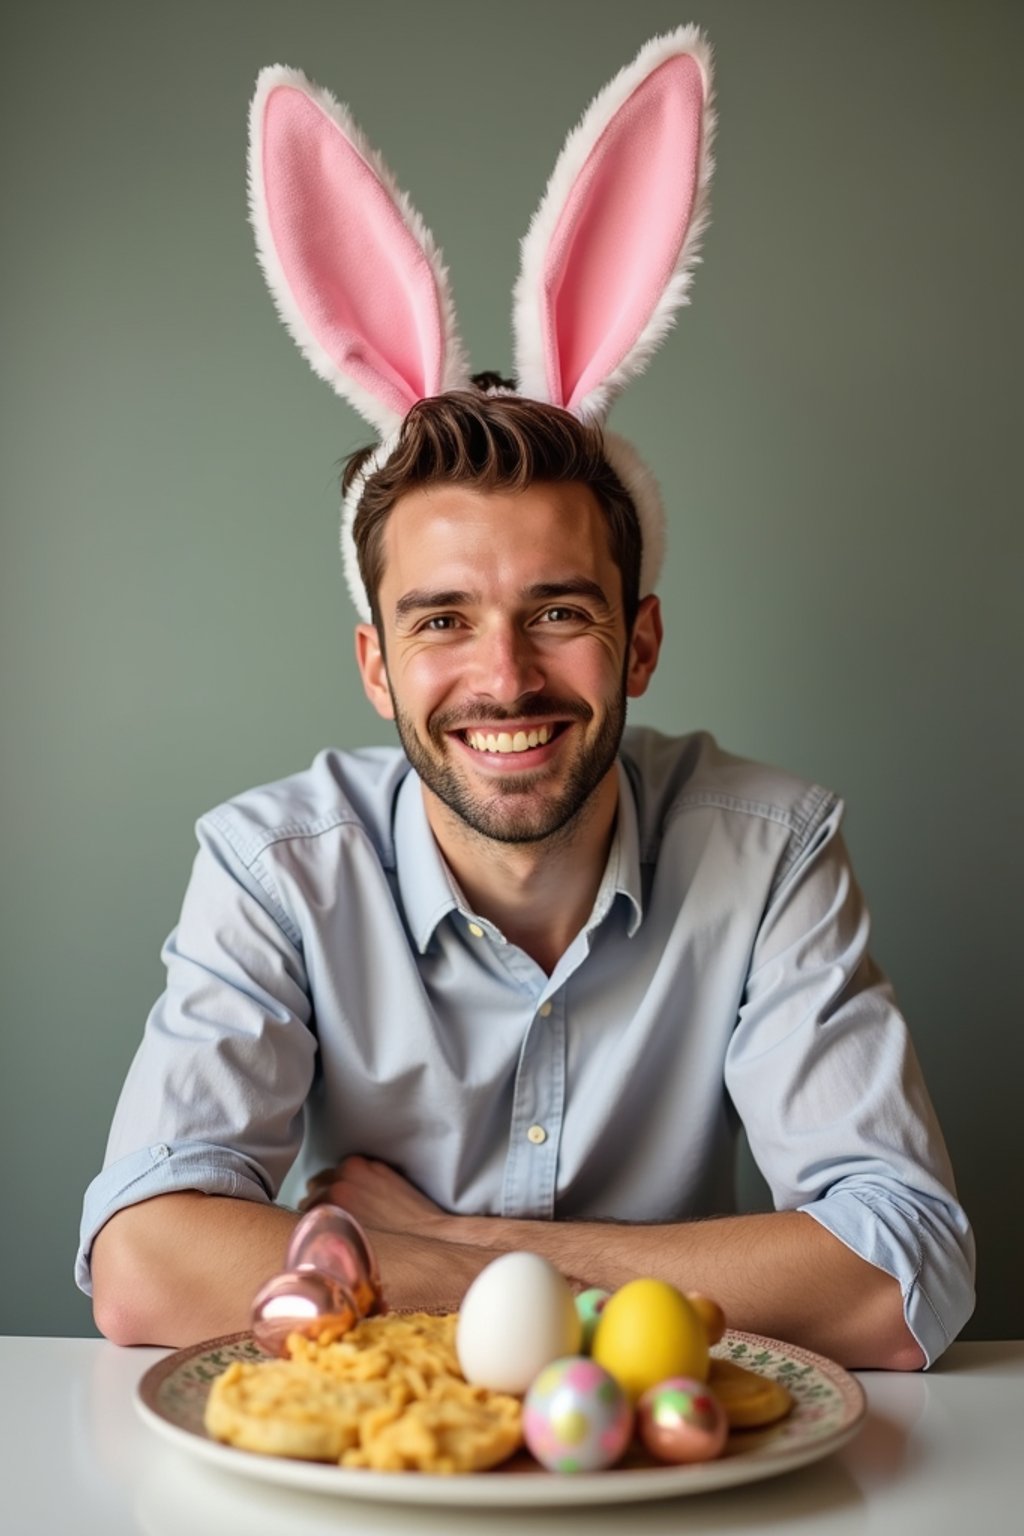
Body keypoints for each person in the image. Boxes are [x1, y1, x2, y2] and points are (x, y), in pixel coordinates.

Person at [78, 32, 974, 1368]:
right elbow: (144, 1267)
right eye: (443, 621)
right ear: (378, 663)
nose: (504, 678)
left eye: (559, 612)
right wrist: (595, 1278)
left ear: (641, 641)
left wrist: (443, 1252)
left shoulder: (768, 852)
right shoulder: (275, 869)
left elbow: (904, 1278)